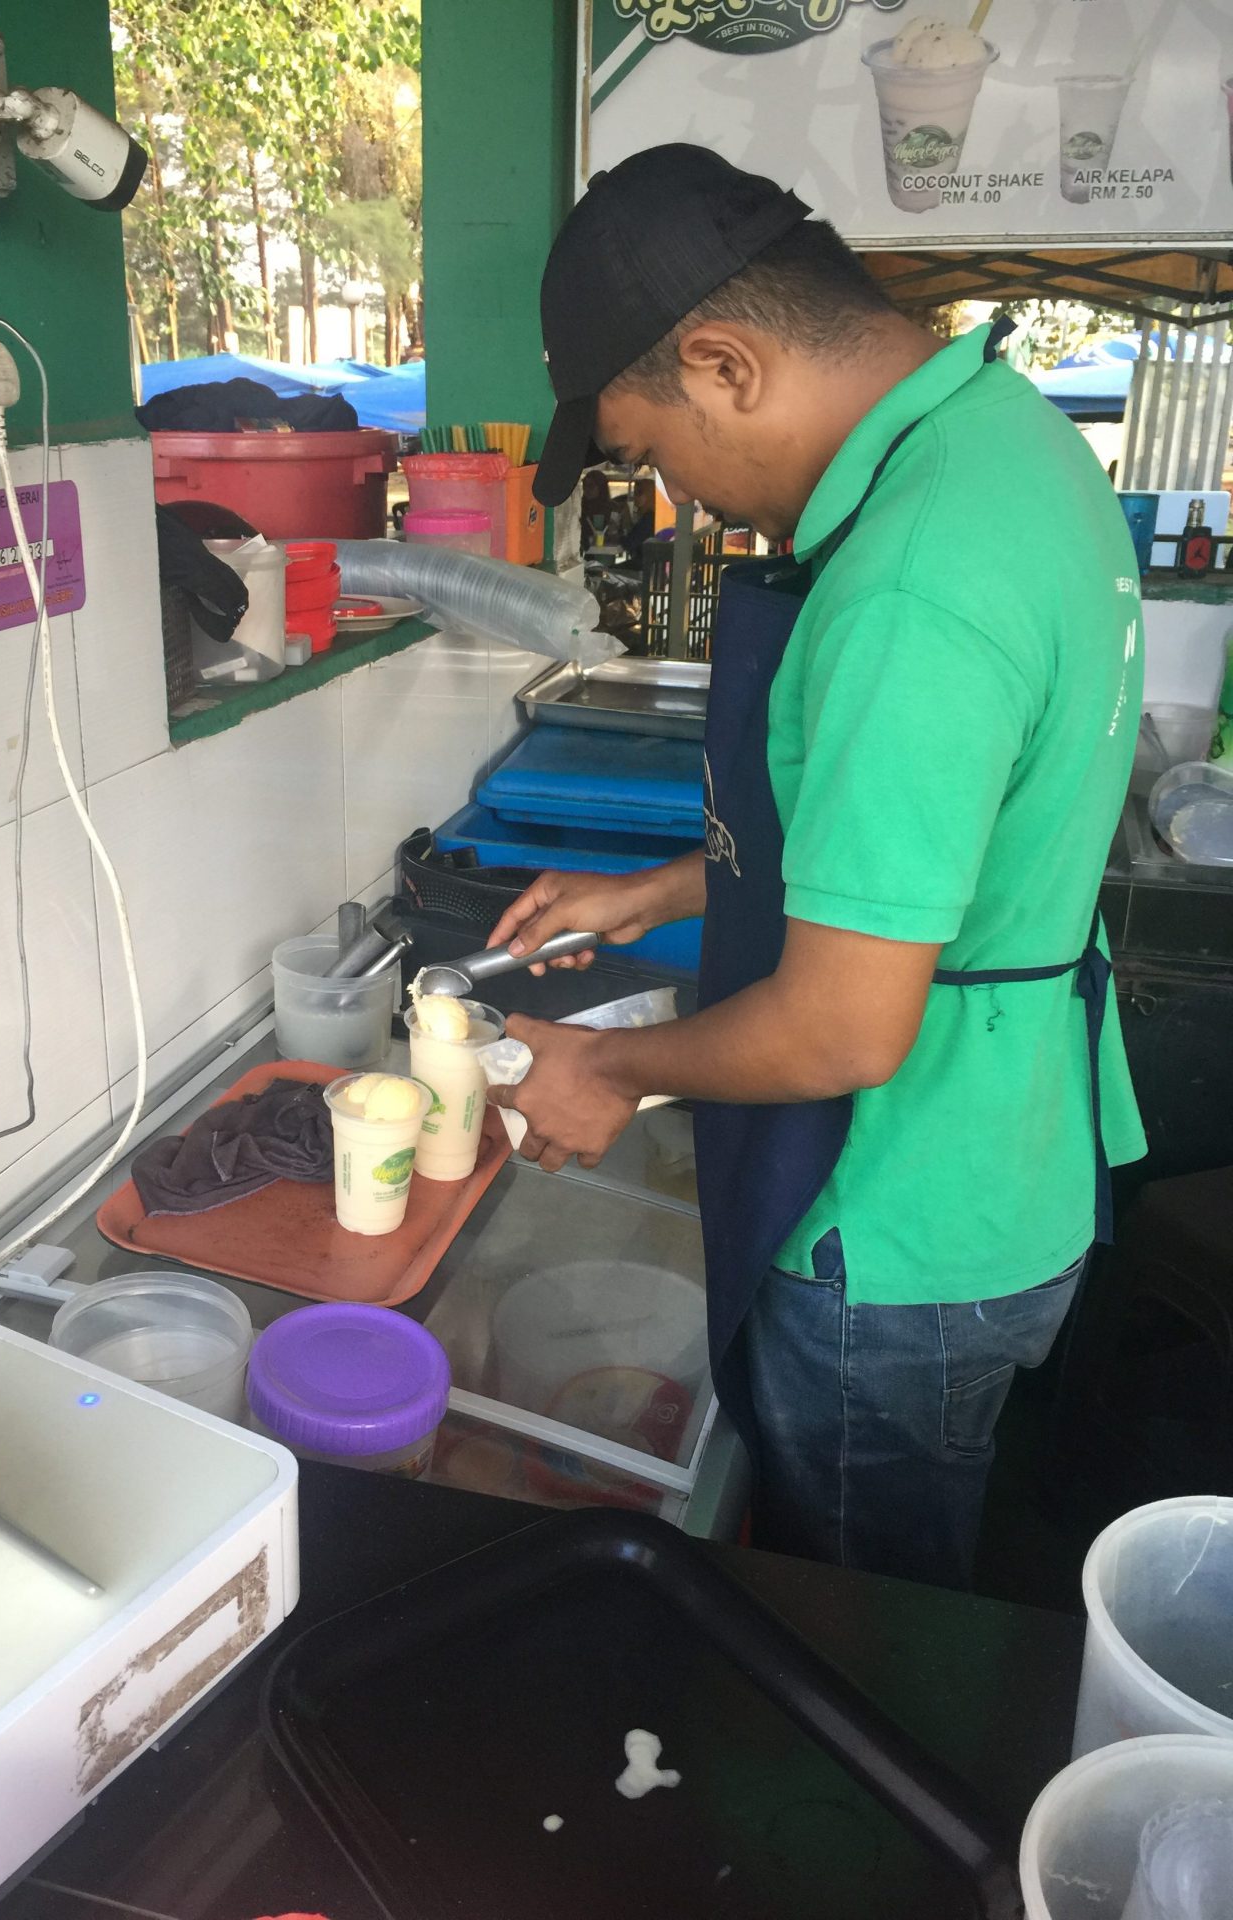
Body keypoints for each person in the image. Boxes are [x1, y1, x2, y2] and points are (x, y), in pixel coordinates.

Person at [487, 145, 1146, 1591]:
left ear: (725, 365)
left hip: (894, 1224)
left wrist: (608, 1070)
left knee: (859, 1623)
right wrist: (666, 889)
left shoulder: (909, 580)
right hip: (1014, 1161)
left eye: (652, 454)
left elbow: (845, 1026)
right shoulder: (1007, 449)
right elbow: (919, 840)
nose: (683, 498)